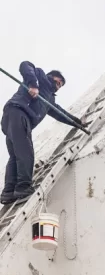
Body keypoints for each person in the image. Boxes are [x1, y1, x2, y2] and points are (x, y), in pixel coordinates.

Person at [1, 61, 87, 205]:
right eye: (58, 82)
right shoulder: (40, 76)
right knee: (25, 153)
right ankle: (23, 188)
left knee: (15, 157)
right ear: (51, 77)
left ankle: (8, 192)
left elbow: (61, 114)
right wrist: (33, 85)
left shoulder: (49, 100)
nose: (58, 87)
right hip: (18, 112)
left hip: (12, 120)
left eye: (60, 86)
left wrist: (78, 123)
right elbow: (25, 65)